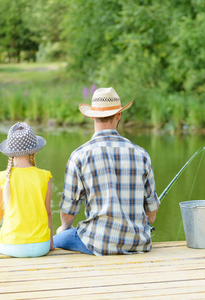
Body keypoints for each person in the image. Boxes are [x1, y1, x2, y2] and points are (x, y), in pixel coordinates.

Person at [54, 87, 159, 256]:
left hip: (97, 243)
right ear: (118, 115)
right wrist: (147, 218)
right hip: (138, 243)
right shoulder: (141, 154)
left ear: (92, 116)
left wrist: (64, 228)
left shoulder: (79, 156)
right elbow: (152, 210)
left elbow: (69, 210)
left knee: (53, 240)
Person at [0, 122, 54, 257]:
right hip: (42, 246)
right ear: (35, 151)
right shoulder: (45, 176)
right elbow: (48, 213)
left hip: (13, 246)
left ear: (9, 153)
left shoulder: (2, 177)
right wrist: (51, 245)